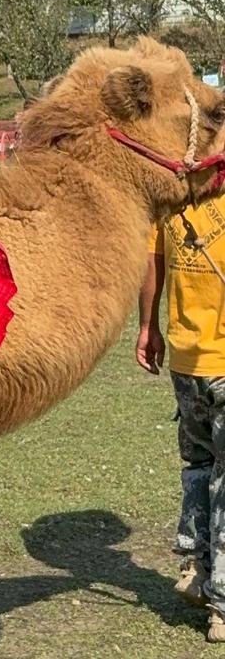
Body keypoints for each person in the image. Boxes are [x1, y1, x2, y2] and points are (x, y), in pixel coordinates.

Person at [137, 194, 225, 643]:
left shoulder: (173, 198)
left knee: (200, 466)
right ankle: (222, 605)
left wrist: (147, 325)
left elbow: (151, 260)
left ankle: (196, 567)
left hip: (186, 360)